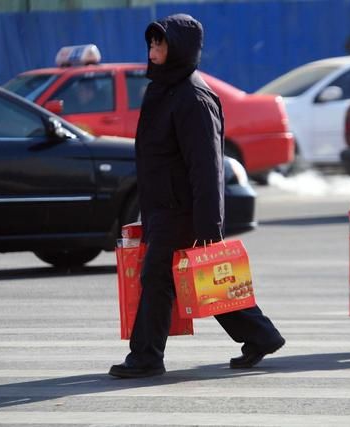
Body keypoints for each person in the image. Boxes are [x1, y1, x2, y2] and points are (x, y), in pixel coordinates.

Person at [108, 14, 285, 379]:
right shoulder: (162, 88)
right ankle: (261, 335)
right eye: (152, 43)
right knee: (200, 280)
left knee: (158, 278)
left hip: (182, 209)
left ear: (180, 49)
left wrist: (210, 224)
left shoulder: (193, 96)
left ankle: (145, 356)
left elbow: (206, 166)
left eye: (162, 44)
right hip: (162, 206)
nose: (154, 51)